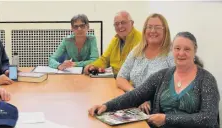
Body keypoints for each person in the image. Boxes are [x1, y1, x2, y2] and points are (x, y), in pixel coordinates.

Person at [88, 32, 220, 128]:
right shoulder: (162, 75)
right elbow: (136, 95)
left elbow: (208, 118)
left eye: (187, 49)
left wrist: (167, 119)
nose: (181, 53)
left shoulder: (207, 80)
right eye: (177, 48)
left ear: (194, 51)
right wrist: (106, 106)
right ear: (172, 50)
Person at [116, 13, 174, 114]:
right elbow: (120, 78)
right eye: (149, 27)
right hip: (134, 104)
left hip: (157, 111)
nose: (152, 31)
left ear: (165, 31)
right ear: (144, 30)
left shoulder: (171, 53)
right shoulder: (137, 50)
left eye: (157, 27)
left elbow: (177, 86)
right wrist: (136, 95)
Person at [83, 11, 142, 75]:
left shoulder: (140, 40)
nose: (120, 26)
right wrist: (93, 66)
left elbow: (139, 72)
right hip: (114, 79)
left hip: (128, 82)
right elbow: (104, 60)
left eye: (123, 22)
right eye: (116, 24)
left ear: (132, 23)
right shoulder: (115, 40)